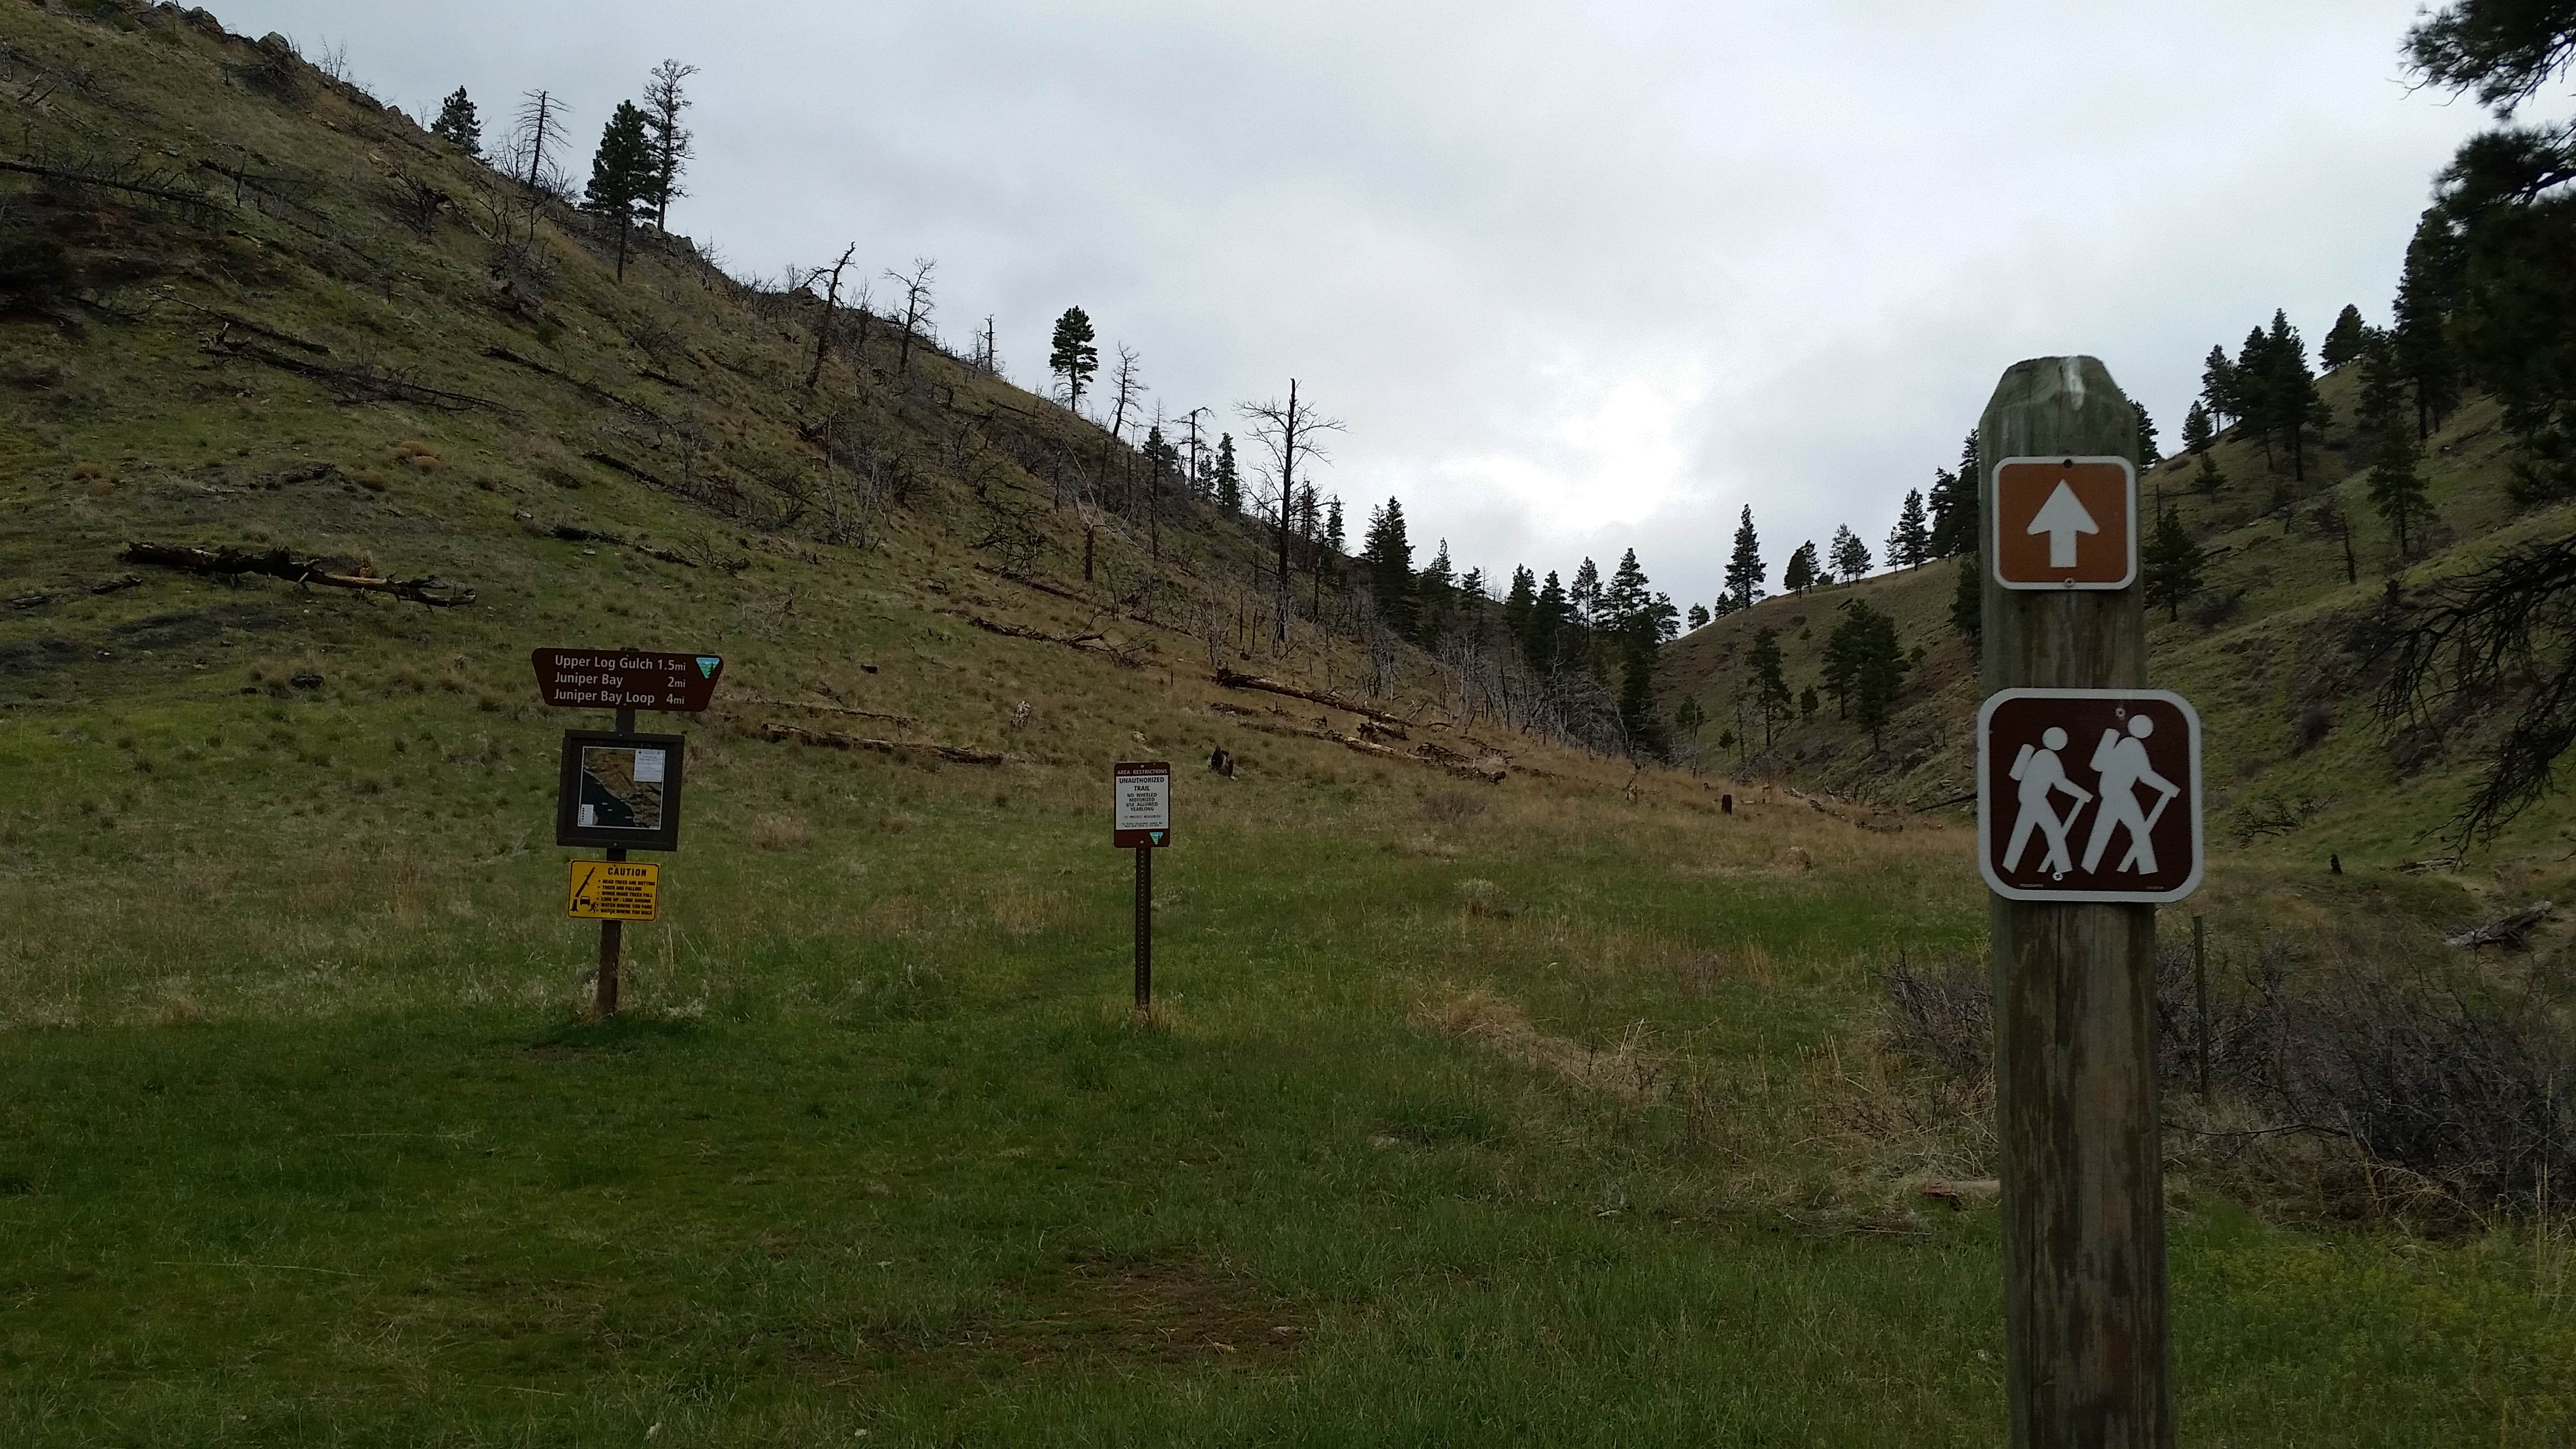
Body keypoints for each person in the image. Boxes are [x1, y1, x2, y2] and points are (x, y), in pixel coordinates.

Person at [2082, 714, 2180, 874]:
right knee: (2139, 830)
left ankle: (2088, 869)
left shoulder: (2123, 744)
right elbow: (2145, 776)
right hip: (2120, 795)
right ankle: (2148, 871)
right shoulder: (2134, 746)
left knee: (2102, 832)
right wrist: (2169, 788)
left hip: (2110, 794)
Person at [2004, 726, 2091, 877]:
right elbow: (2061, 783)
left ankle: (2009, 867)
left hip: (2028, 798)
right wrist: (2083, 795)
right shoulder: (2048, 757)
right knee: (2055, 831)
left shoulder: (2041, 755)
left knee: (2022, 833)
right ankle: (2064, 869)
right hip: (2035, 799)